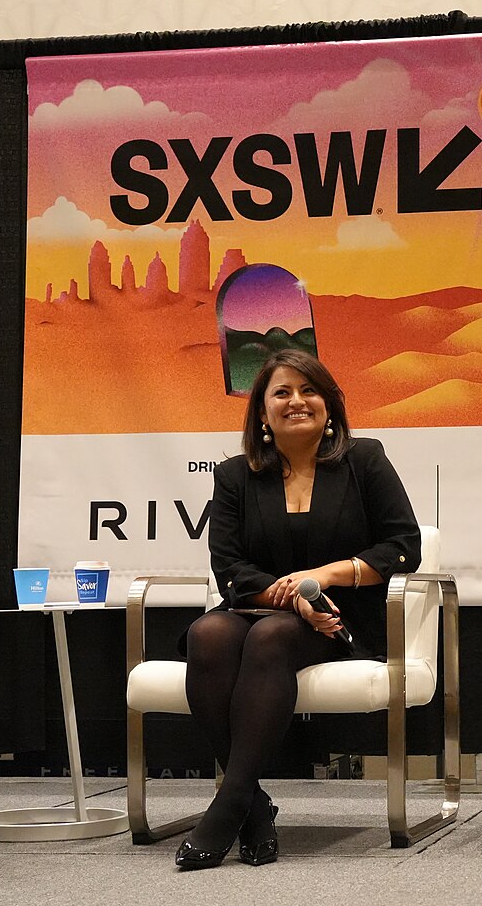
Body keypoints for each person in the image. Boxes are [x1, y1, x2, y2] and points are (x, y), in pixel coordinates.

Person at [176, 349, 421, 870]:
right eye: (281, 393)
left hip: (344, 618)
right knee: (207, 634)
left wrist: (323, 579)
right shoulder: (235, 476)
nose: (297, 402)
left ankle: (228, 805)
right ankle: (252, 801)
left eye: (309, 391)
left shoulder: (366, 460)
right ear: (261, 413)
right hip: (260, 606)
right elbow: (230, 567)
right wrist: (290, 596)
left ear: (329, 405)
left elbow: (404, 545)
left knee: (272, 639)